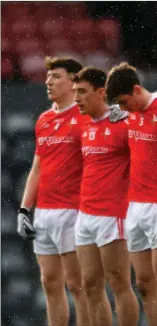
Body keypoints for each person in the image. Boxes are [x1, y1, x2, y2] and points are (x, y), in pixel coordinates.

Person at [17, 57, 90, 326]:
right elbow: (37, 168)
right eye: (48, 77)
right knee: (49, 282)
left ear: (73, 81)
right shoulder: (44, 119)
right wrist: (25, 209)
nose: (48, 82)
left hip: (73, 212)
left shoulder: (85, 117)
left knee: (77, 285)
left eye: (56, 76)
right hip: (45, 213)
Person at [105, 62, 157, 326]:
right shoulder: (126, 115)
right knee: (144, 284)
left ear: (137, 90)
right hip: (135, 207)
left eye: (125, 102)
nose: (122, 109)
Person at [72, 67, 139, 326]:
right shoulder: (84, 123)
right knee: (89, 284)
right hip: (85, 214)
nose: (76, 98)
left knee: (119, 282)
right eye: (75, 92)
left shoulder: (124, 124)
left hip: (113, 215)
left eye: (82, 92)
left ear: (101, 93)